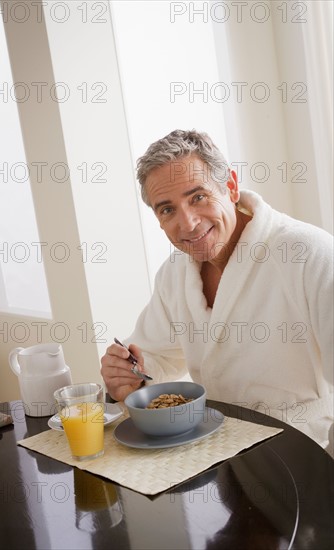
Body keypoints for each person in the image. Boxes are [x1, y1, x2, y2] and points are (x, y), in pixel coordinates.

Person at [101, 129, 333, 455]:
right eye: (167, 209)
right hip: (214, 452)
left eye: (198, 197)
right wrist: (127, 375)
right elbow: (154, 357)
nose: (189, 223)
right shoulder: (174, 273)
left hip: (302, 454)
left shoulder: (309, 253)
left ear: (232, 186)